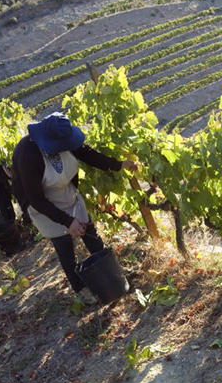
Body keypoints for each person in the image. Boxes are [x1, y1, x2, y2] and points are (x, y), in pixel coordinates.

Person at [11, 112, 136, 304]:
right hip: (42, 206)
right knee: (64, 245)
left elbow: (88, 154)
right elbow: (36, 199)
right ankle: (80, 288)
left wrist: (119, 165)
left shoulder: (63, 137)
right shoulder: (27, 153)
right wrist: (67, 222)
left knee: (90, 233)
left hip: (66, 193)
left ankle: (112, 273)